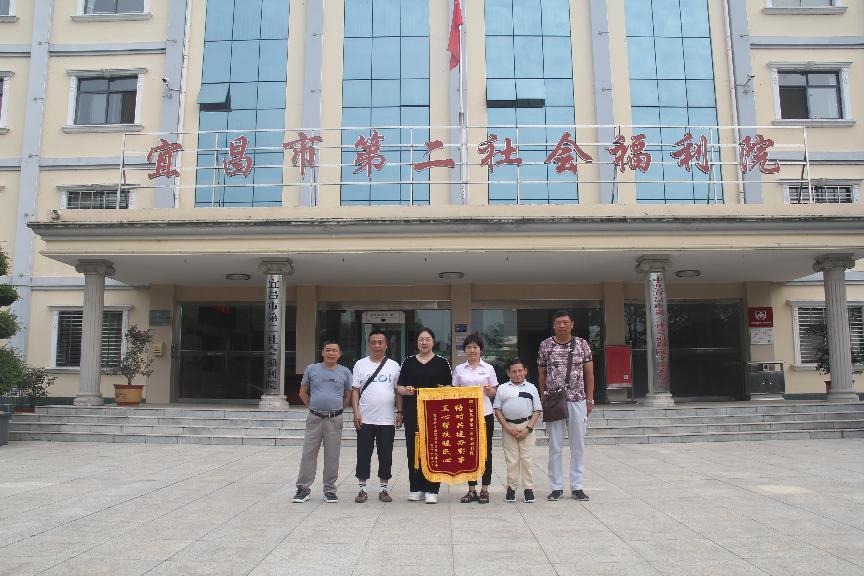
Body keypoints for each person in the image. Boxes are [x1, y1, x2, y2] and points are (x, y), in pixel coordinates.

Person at [537, 310, 595, 502]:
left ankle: (577, 486)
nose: (561, 325)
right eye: (558, 322)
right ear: (554, 325)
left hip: (577, 399)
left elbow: (589, 374)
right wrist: (543, 397)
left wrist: (589, 399)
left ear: (572, 324)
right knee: (555, 446)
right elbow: (542, 374)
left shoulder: (582, 344)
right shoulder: (545, 345)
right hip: (553, 401)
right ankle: (556, 487)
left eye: (565, 322)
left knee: (578, 445)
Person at [396, 328, 452, 504]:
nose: (424, 342)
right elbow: (399, 387)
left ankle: (432, 489)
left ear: (433, 342)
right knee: (414, 450)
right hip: (413, 412)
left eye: (428, 339)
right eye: (421, 339)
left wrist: (444, 389)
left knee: (434, 450)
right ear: (417, 342)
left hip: (436, 413)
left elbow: (450, 387)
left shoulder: (442, 362)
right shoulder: (408, 362)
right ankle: (416, 488)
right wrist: (406, 391)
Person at [292, 340, 353, 504]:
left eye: (334, 350)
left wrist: (338, 409)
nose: (331, 353)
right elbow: (303, 392)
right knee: (308, 454)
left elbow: (348, 394)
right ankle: (303, 489)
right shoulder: (312, 369)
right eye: (328, 350)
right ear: (322, 352)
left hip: (335, 419)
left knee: (332, 456)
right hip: (315, 418)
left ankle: (330, 490)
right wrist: (313, 407)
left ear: (339, 354)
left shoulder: (345, 372)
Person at [351, 329, 402, 504]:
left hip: (386, 419)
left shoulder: (394, 366)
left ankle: (383, 489)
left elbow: (397, 391)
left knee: (385, 455)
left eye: (380, 342)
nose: (377, 345)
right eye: (373, 342)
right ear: (369, 344)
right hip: (365, 419)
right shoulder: (360, 364)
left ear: (386, 345)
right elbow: (355, 390)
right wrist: (356, 412)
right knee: (363, 454)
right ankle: (362, 489)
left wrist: (399, 412)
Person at [451, 333, 497, 504]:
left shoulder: (489, 368)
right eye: (469, 347)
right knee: (469, 452)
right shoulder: (459, 369)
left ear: (480, 350)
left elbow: (494, 390)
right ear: (464, 350)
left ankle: (485, 489)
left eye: (475, 347)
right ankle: (471, 489)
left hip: (485, 413)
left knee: (486, 452)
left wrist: (489, 391)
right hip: (466, 415)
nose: (472, 350)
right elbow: (454, 390)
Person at [494, 358, 542, 503]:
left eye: (520, 371)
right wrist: (507, 427)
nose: (517, 374)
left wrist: (529, 428)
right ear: (508, 373)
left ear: (525, 371)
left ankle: (528, 489)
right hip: (509, 427)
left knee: (527, 459)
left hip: (527, 426)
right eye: (514, 371)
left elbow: (537, 410)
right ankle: (511, 488)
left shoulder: (531, 388)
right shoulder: (502, 388)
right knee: (511, 460)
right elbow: (497, 410)